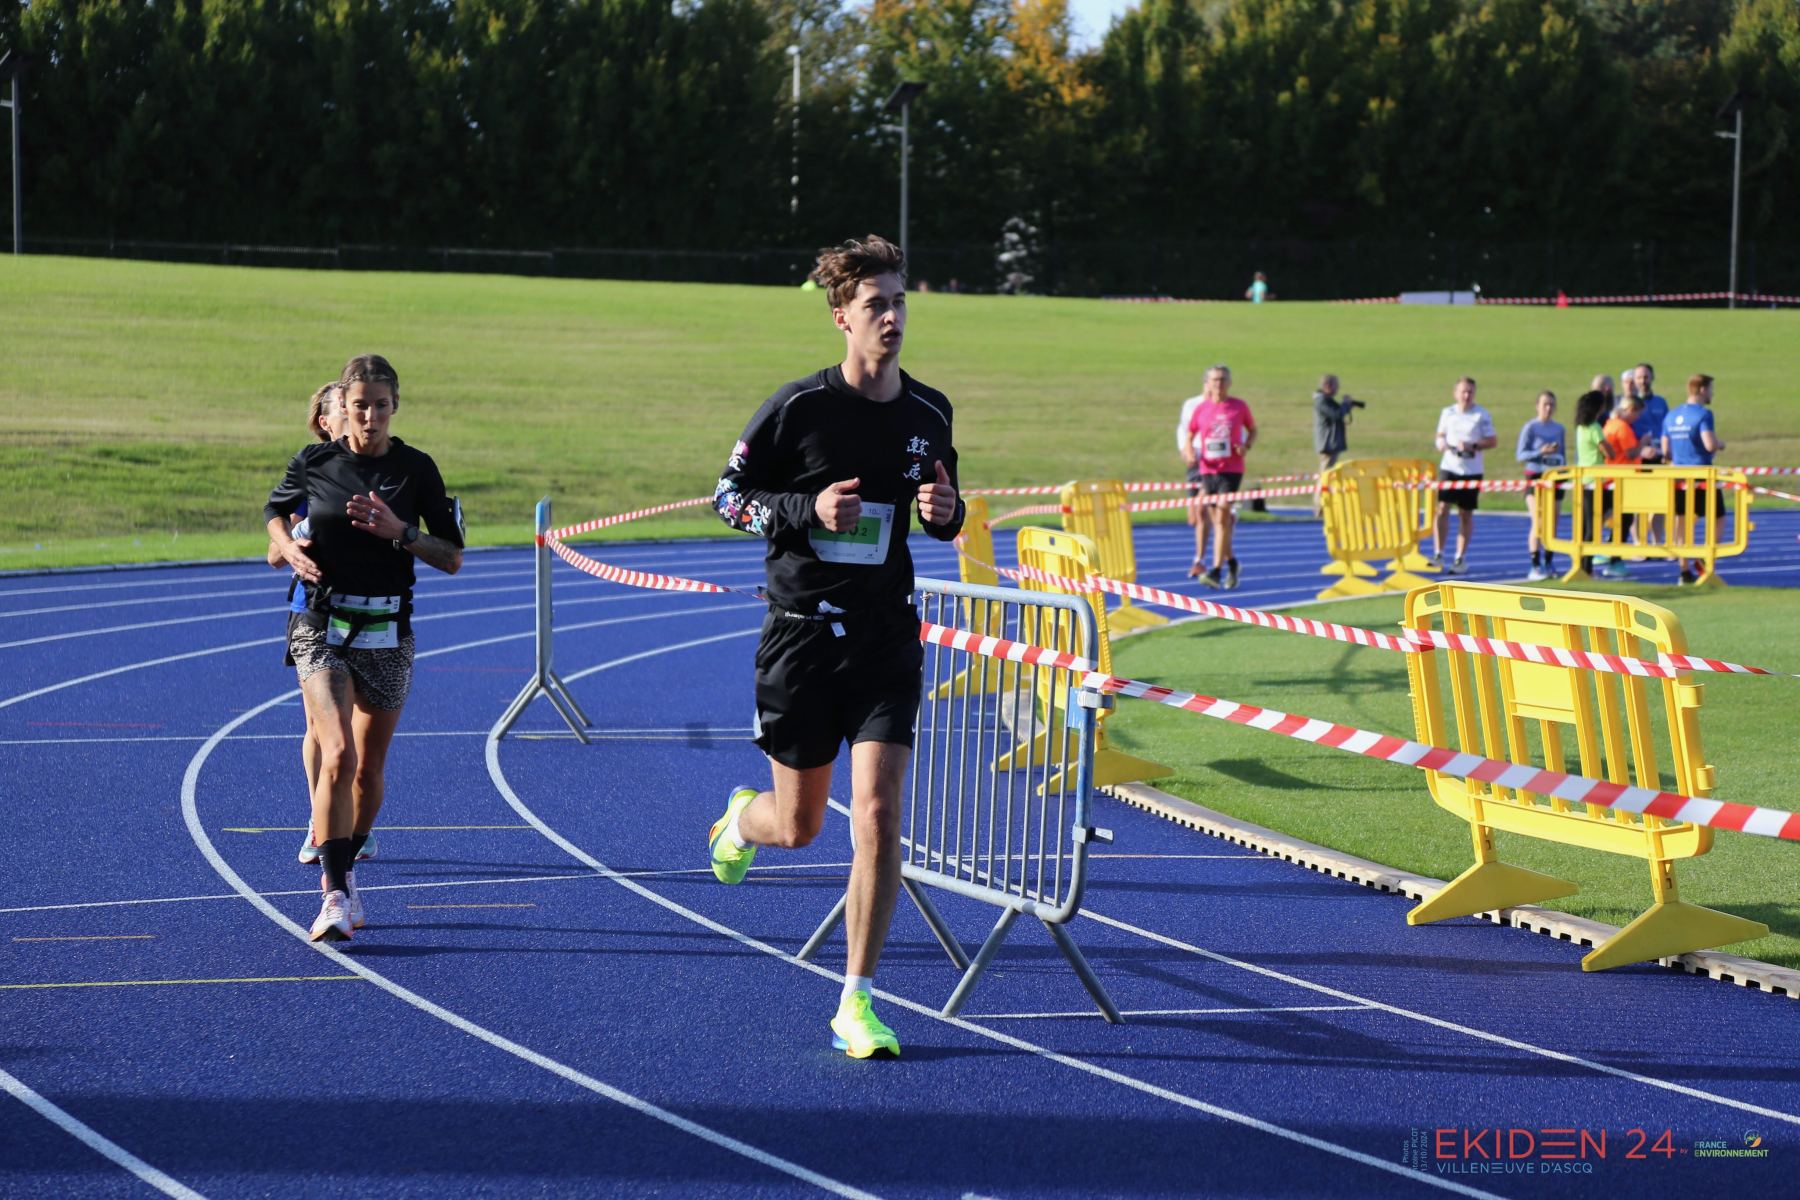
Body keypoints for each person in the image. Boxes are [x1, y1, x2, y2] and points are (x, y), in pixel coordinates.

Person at [708, 235, 963, 1060]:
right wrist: (805, 510)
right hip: (803, 641)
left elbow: (944, 507)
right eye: (874, 305)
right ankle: (741, 822)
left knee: (880, 815)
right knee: (800, 826)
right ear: (841, 318)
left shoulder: (929, 413)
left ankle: (857, 999)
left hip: (886, 638)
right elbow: (727, 498)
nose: (891, 317)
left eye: (899, 302)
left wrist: (947, 512)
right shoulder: (798, 408)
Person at [264, 354, 465, 942]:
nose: (370, 416)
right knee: (336, 752)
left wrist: (400, 532)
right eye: (359, 406)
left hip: (387, 630)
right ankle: (333, 893)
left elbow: (451, 557)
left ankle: (346, 867)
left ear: (395, 406)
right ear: (343, 408)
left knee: (368, 769)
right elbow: (274, 513)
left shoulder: (417, 469)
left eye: (380, 405)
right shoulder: (315, 461)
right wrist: (289, 548)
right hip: (320, 623)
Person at [266, 382, 378, 867]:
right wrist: (302, 534)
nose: (356, 419)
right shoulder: (309, 475)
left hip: (369, 613)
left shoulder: (378, 472)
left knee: (359, 729)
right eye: (344, 411)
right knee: (321, 726)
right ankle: (321, 818)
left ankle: (353, 819)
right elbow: (275, 555)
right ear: (325, 422)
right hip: (312, 612)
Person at [1183, 364, 1256, 589]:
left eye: (1223, 379)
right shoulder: (1201, 408)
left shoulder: (1238, 406)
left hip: (1231, 469)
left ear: (1230, 383)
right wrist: (1189, 451)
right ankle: (1232, 563)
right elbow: (1190, 434)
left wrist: (1246, 446)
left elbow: (1253, 430)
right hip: (1208, 470)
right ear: (1208, 383)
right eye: (1215, 379)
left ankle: (1215, 571)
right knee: (1217, 521)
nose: (1219, 383)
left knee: (1223, 513)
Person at [1662, 372, 1726, 584]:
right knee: (1718, 517)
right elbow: (1709, 444)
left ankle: (1684, 570)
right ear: (1702, 390)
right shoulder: (1703, 414)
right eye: (1711, 390)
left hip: (1679, 478)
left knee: (1682, 521)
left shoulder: (1671, 415)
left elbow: (1666, 450)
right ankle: (1706, 559)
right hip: (1701, 476)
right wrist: (1720, 444)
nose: (1712, 394)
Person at [1429, 376, 1497, 574]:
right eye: (1463, 392)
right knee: (1442, 508)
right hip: (1449, 467)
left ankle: (1460, 557)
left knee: (1465, 513)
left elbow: (1492, 441)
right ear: (1455, 393)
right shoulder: (1447, 412)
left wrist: (1473, 445)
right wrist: (1441, 444)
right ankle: (1438, 553)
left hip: (1472, 470)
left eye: (1470, 392)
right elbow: (1440, 434)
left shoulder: (1481, 414)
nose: (1466, 395)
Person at [1516, 390, 1566, 581]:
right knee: (1538, 519)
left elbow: (1562, 456)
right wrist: (1541, 452)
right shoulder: (1530, 427)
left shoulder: (1559, 429)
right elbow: (1520, 455)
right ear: (1537, 406)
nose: (1548, 408)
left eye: (1552, 404)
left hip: (1554, 477)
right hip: (1535, 476)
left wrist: (1563, 473)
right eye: (1545, 404)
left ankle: (1549, 561)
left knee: (1553, 521)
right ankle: (1535, 564)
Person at [1571, 389, 1613, 577]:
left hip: (1583, 478)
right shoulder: (1595, 427)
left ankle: (1581, 564)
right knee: (1593, 525)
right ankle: (1586, 567)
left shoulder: (1580, 427)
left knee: (1584, 524)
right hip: (1595, 480)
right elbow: (1607, 450)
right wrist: (1610, 450)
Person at [1312, 374, 1362, 516]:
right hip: (1327, 444)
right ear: (1327, 385)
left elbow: (1338, 413)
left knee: (1327, 476)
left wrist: (1347, 406)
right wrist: (1345, 405)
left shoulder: (1326, 400)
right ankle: (1319, 507)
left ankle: (1323, 506)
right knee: (1325, 476)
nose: (1337, 389)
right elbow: (1336, 415)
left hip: (1331, 443)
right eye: (1335, 385)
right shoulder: (1322, 401)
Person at [1175, 390, 1212, 574]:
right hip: (1195, 463)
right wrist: (1185, 450)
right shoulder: (1192, 404)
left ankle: (1199, 560)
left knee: (1201, 510)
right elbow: (1184, 430)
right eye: (1210, 382)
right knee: (1193, 518)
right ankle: (1229, 517)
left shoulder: (1228, 408)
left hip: (1216, 466)